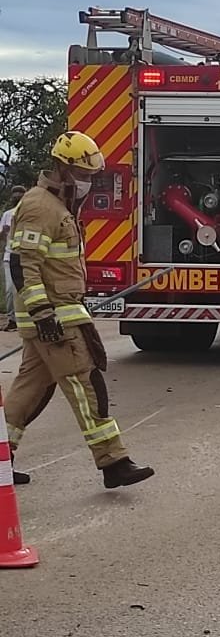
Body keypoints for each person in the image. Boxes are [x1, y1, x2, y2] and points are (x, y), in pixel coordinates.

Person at [5, 132, 154, 489]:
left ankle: (0, 458)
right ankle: (113, 461)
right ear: (61, 168)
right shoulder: (41, 205)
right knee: (86, 387)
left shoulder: (59, 206)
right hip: (54, 321)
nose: (87, 183)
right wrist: (43, 313)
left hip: (55, 318)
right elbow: (23, 263)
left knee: (30, 392)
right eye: (82, 174)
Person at [2, 185, 28, 332]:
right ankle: (12, 319)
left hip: (26, 256)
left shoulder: (29, 213)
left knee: (25, 289)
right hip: (9, 256)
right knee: (10, 290)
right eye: (15, 194)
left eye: (19, 193)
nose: (16, 196)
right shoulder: (7, 215)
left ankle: (27, 319)